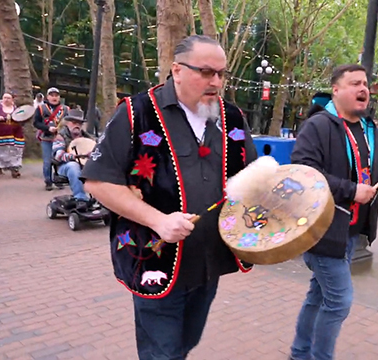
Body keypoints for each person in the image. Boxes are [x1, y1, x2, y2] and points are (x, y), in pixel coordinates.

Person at [81, 35, 258, 360]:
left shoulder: (232, 117)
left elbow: (251, 178)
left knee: (185, 343)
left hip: (210, 260)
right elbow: (97, 181)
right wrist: (158, 221)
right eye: (205, 72)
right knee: (162, 353)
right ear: (176, 70)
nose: (215, 81)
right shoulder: (136, 113)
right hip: (154, 258)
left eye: (221, 73)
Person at [289, 64, 378, 360]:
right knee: (339, 301)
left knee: (318, 296)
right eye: (355, 83)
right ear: (336, 90)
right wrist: (350, 190)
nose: (363, 89)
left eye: (366, 85)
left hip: (353, 233)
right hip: (322, 230)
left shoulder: (373, 131)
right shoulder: (318, 126)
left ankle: (299, 353)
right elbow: (303, 172)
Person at [52, 109, 95, 207]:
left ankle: (102, 199)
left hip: (85, 165)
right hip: (64, 166)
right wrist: (74, 156)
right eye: (74, 122)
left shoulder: (88, 138)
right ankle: (80, 198)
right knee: (73, 166)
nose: (77, 125)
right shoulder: (60, 136)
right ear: (67, 123)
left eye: (80, 123)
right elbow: (58, 155)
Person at [33, 87, 69, 190]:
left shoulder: (65, 109)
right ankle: (48, 181)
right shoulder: (41, 108)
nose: (54, 97)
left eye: (56, 95)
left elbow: (69, 123)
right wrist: (48, 128)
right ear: (48, 97)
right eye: (52, 95)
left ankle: (59, 179)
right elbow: (36, 123)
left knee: (60, 159)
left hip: (61, 138)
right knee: (47, 161)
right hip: (46, 138)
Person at [0, 92, 23, 178]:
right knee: (1, 152)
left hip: (16, 133)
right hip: (1, 134)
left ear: (12, 99)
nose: (6, 99)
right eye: (5, 98)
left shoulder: (16, 109)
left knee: (16, 150)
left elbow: (23, 117)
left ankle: (15, 169)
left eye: (8, 98)